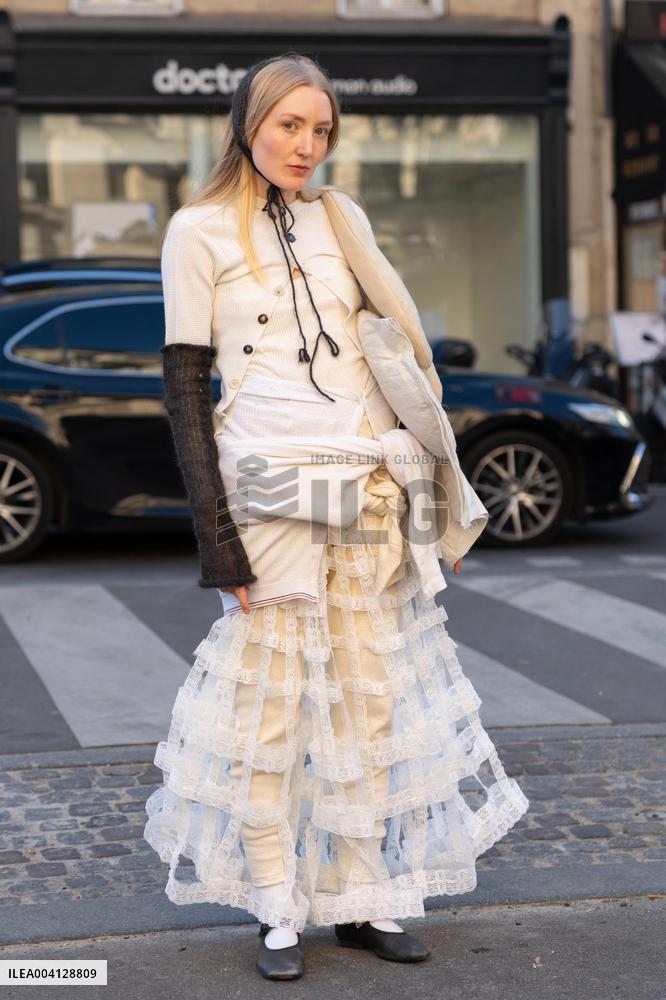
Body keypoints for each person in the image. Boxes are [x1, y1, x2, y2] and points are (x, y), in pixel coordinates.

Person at [143, 51, 530, 982]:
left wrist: (434, 504)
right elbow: (186, 391)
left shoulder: (338, 219)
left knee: (368, 698)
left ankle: (361, 899)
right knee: (272, 709)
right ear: (249, 122)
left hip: (370, 482)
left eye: (321, 131)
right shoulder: (196, 232)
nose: (307, 147)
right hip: (272, 486)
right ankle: (278, 906)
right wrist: (214, 537)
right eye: (291, 126)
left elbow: (397, 362)